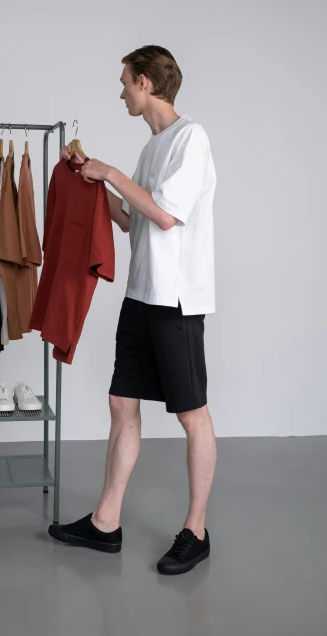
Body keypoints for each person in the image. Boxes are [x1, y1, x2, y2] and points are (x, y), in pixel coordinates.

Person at [48, 45, 217, 575]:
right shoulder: (153, 148)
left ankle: (196, 530)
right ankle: (106, 522)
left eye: (125, 82)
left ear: (145, 82)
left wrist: (113, 172)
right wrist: (93, 181)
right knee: (122, 404)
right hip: (142, 297)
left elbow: (166, 216)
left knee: (191, 415)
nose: (121, 91)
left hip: (177, 302)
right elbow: (133, 220)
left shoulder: (191, 138)